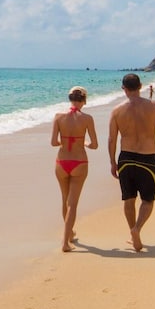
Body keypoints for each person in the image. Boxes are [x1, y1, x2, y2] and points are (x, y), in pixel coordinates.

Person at [108, 73, 155, 252]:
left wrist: (113, 162)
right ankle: (137, 228)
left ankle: (132, 233)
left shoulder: (117, 110)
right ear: (141, 86)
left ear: (123, 88)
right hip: (147, 158)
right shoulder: (153, 106)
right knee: (148, 200)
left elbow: (112, 139)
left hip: (126, 158)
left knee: (129, 199)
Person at [51, 86, 98, 252]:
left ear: (70, 98)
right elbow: (94, 145)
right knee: (73, 204)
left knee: (65, 200)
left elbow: (53, 142)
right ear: (84, 100)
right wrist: (83, 143)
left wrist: (64, 142)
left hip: (61, 161)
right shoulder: (87, 119)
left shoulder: (58, 117)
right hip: (79, 162)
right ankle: (65, 241)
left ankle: (70, 234)